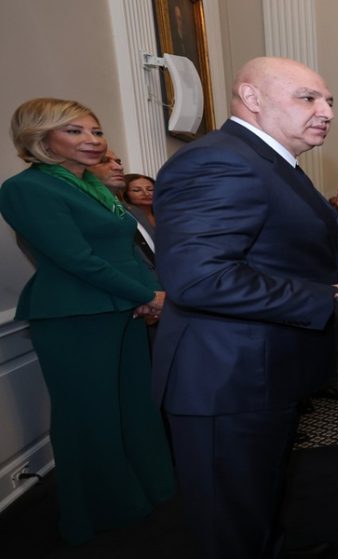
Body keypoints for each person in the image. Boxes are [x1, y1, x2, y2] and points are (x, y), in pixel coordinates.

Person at [153, 57, 338, 558]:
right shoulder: (219, 160)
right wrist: (328, 295)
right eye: (308, 98)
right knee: (231, 527)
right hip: (226, 380)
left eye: (329, 101)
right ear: (251, 98)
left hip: (260, 373)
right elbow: (201, 279)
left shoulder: (268, 161)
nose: (327, 112)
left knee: (259, 501)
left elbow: (266, 254)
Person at [0, 98, 174, 544]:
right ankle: (103, 511)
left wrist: (150, 294)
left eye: (96, 131)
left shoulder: (91, 186)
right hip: (74, 315)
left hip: (120, 307)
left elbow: (124, 250)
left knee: (133, 407)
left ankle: (150, 491)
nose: (93, 140)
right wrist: (146, 295)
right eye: (75, 131)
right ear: (41, 138)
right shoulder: (26, 189)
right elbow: (76, 259)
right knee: (90, 416)